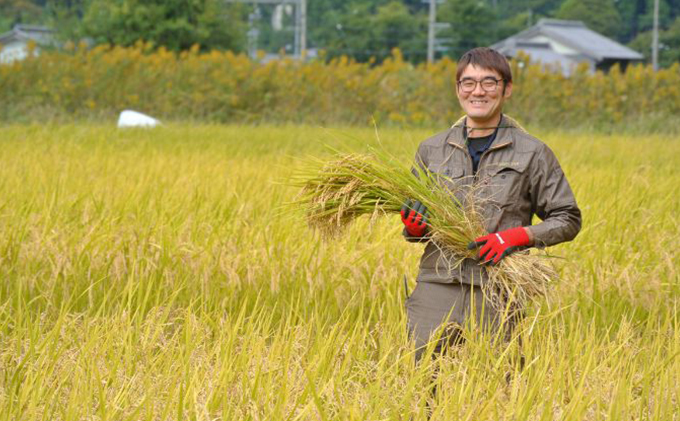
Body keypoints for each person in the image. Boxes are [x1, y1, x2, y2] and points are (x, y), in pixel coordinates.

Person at [401, 47, 582, 362]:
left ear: (506, 89)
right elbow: (418, 220)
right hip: (437, 282)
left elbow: (567, 218)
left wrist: (515, 238)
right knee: (421, 382)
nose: (478, 91)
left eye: (489, 82)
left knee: (499, 382)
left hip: (496, 287)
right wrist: (414, 227)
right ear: (458, 89)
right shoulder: (431, 149)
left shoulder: (532, 152)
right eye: (468, 83)